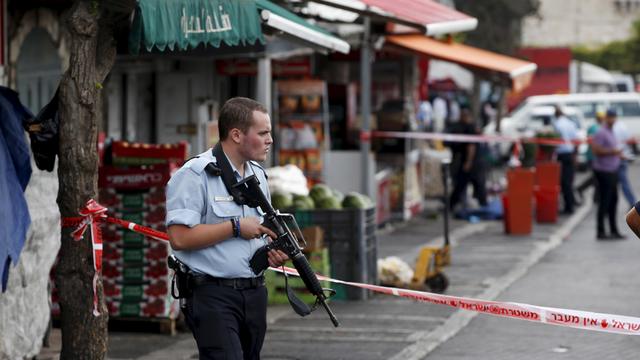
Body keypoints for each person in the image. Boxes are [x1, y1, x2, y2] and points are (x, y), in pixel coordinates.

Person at [166, 97, 289, 359]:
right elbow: (179, 238)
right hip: (213, 295)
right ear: (236, 134)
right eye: (263, 133)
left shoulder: (257, 175)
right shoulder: (195, 174)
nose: (270, 140)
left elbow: (257, 232)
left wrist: (271, 253)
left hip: (255, 292)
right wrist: (233, 227)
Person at [591, 108, 625, 240]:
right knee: (604, 201)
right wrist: (613, 152)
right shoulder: (601, 132)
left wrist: (619, 155)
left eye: (614, 117)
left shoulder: (611, 132)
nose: (613, 119)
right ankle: (601, 231)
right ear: (606, 118)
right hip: (604, 171)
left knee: (613, 200)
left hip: (613, 169)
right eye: (611, 117)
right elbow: (596, 150)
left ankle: (613, 229)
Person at [447, 108, 488, 211]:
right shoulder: (468, 127)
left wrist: (468, 162)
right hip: (472, 161)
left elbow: (471, 147)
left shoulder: (470, 128)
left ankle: (483, 205)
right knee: (470, 184)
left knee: (472, 184)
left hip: (472, 162)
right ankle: (453, 204)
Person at [552, 106, 579, 214]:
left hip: (562, 155)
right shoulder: (570, 123)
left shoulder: (557, 124)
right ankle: (571, 203)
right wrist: (575, 155)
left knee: (564, 182)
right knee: (569, 180)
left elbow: (555, 141)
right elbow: (576, 140)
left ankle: (569, 206)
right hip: (570, 154)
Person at [576, 110, 604, 202]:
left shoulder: (601, 127)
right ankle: (595, 197)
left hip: (597, 156)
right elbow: (592, 142)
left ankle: (582, 189)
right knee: (597, 177)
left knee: (596, 177)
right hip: (593, 156)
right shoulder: (594, 128)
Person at [612, 117, 637, 209]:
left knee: (613, 184)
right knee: (623, 183)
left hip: (615, 159)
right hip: (623, 157)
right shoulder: (622, 126)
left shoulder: (610, 128)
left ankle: (632, 202)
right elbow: (630, 140)